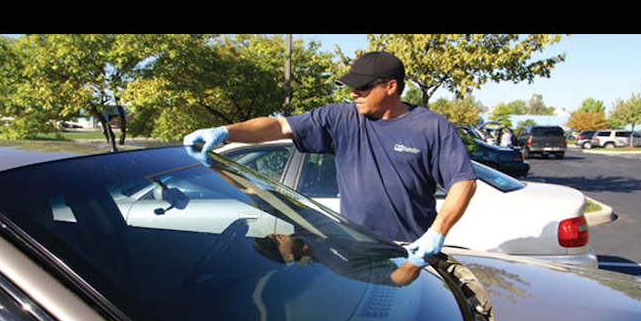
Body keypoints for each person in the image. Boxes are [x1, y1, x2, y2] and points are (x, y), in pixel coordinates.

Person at [184, 51, 477, 273]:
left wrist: (436, 233)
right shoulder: (341, 118)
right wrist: (225, 132)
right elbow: (278, 127)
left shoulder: (431, 127)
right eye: (352, 87)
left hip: (409, 249)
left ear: (390, 86)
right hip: (355, 246)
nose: (353, 94)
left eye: (362, 88)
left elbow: (463, 181)